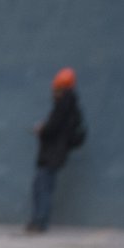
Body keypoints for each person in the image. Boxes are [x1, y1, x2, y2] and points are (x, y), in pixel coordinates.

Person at [27, 67, 86, 232]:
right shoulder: (71, 107)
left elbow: (53, 128)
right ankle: (39, 221)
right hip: (56, 153)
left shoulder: (62, 106)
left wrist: (42, 129)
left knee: (42, 187)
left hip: (52, 154)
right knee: (43, 186)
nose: (53, 92)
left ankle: (39, 222)